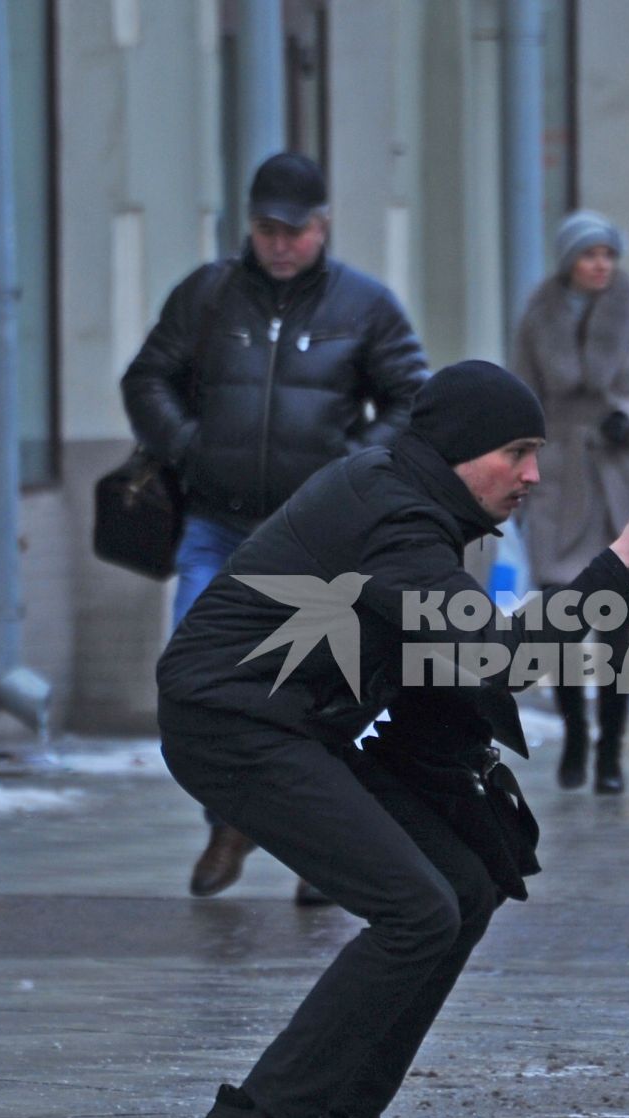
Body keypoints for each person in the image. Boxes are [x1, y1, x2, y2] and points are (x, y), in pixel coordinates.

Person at [157, 361, 629, 1118]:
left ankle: (323, 1117)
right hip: (234, 724)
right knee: (415, 907)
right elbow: (491, 657)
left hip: (303, 724)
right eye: (518, 452)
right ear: (463, 450)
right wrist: (617, 564)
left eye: (537, 452)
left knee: (462, 883)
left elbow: (443, 668)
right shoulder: (393, 516)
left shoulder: (417, 503)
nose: (533, 475)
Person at [121, 152, 428, 899]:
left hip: (316, 538)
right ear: (249, 228)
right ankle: (229, 819)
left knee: (315, 685)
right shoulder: (209, 297)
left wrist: (351, 465)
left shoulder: (364, 306)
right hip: (219, 525)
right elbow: (147, 377)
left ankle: (312, 848)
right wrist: (188, 445)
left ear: (323, 227)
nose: (282, 244)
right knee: (198, 678)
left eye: (296, 230)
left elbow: (414, 398)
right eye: (267, 230)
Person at [511, 210, 629, 794]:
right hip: (556, 484)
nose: (601, 264)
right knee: (559, 623)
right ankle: (576, 734)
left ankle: (612, 752)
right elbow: (518, 398)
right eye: (588, 254)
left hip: (618, 485)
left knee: (619, 629)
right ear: (568, 262)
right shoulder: (537, 315)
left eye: (608, 253)